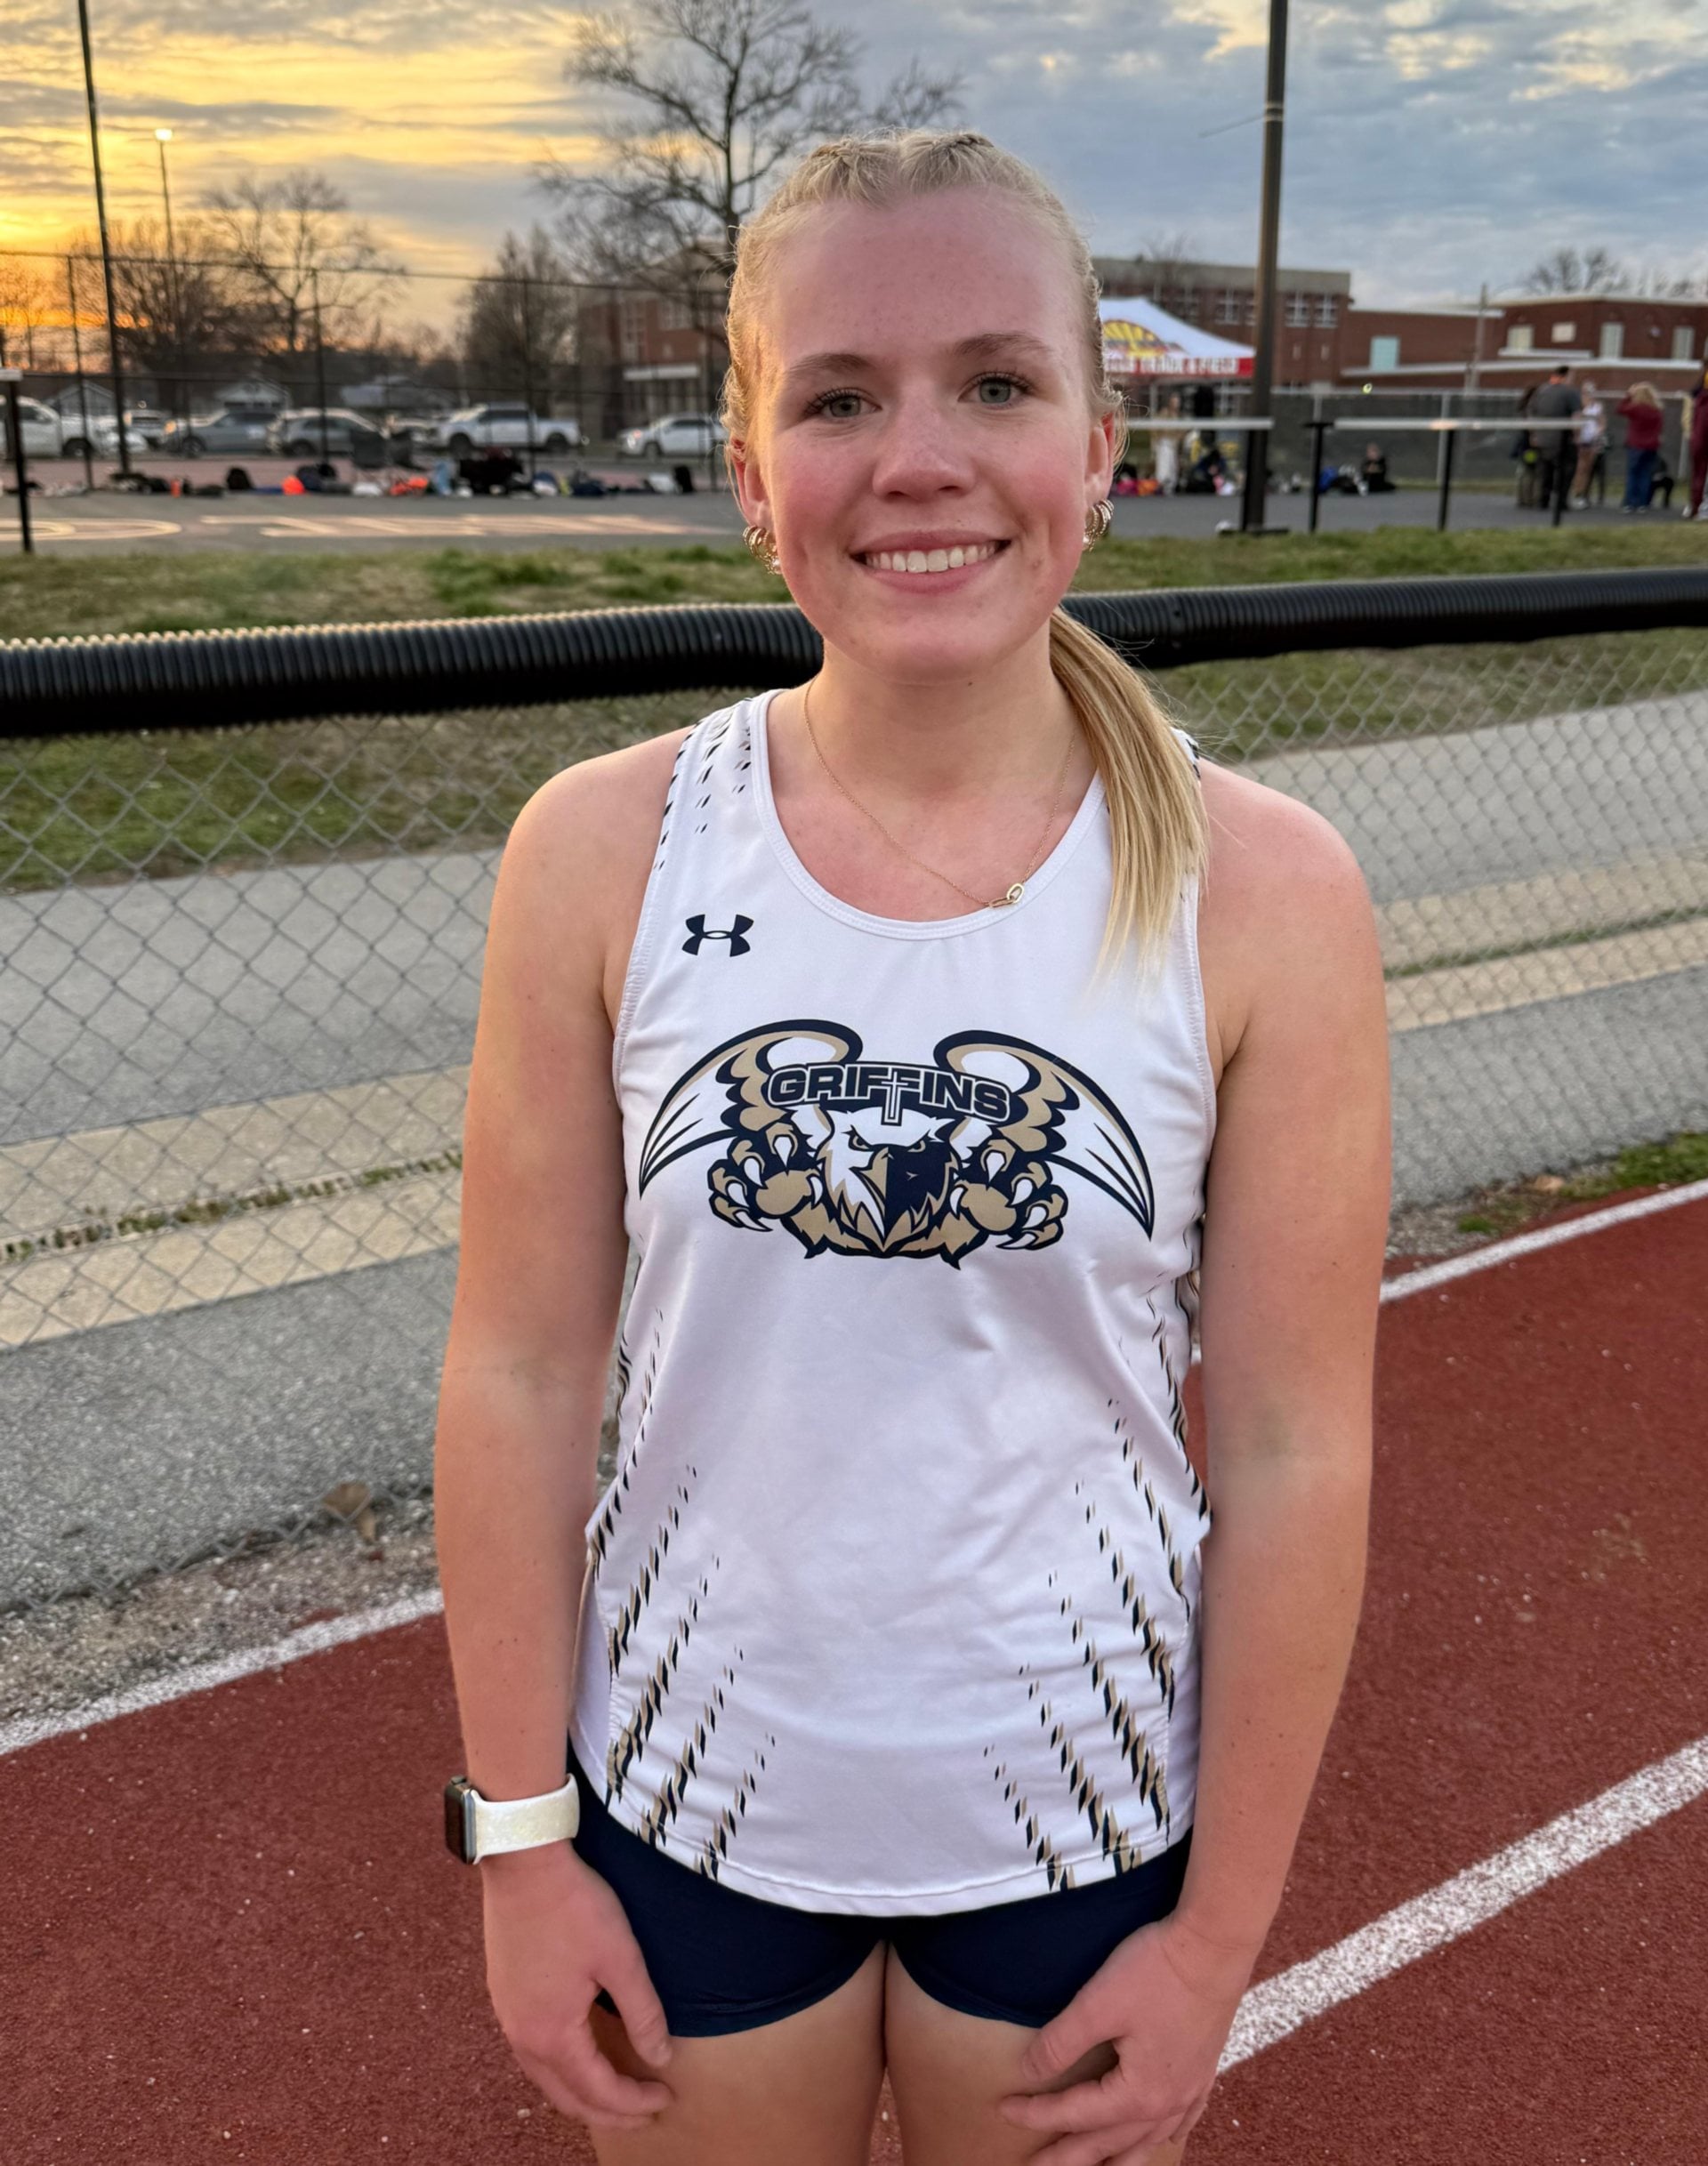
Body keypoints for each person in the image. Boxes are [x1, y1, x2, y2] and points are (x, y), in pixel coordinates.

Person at [435, 127, 1389, 2166]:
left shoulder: (1266, 890)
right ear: (749, 467)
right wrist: (518, 1839)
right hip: (688, 1798)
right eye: (841, 398)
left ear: (1100, 445)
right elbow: (515, 1368)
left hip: (1080, 1819)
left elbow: (1297, 1441)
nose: (921, 459)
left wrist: (1220, 1935)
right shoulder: (600, 852)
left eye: (995, 381)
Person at [1527, 364, 1582, 512]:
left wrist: (1533, 434)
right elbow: (1576, 416)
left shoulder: (1541, 391)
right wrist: (1577, 435)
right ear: (1566, 376)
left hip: (1542, 437)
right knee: (1566, 470)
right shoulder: (1570, 392)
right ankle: (1561, 501)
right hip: (1562, 438)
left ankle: (1543, 499)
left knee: (1545, 470)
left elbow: (1531, 413)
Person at [1615, 382, 1665, 512]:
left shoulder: (1636, 408)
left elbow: (1620, 409)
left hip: (1636, 445)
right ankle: (1643, 503)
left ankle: (1630, 503)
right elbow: (1659, 428)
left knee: (1633, 474)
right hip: (1651, 446)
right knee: (1645, 474)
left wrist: (1628, 395)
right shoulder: (1656, 410)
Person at [1569, 380, 1606, 509]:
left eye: (1591, 391)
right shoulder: (1578, 405)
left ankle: (1584, 494)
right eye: (1586, 392)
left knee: (1588, 469)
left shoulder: (1597, 406)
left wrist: (1598, 431)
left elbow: (1602, 422)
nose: (1589, 394)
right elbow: (1575, 422)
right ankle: (1576, 493)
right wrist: (1577, 436)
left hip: (1592, 439)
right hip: (1581, 440)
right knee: (1580, 468)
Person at [1685, 364, 1708, 520]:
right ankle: (1698, 507)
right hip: (1701, 443)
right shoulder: (1702, 401)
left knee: (1698, 475)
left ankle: (1696, 506)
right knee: (1701, 476)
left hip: (1699, 443)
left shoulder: (1700, 400)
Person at [1152, 391, 1182, 494]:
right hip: (1164, 442)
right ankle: (1161, 484)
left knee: (1172, 466)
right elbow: (1156, 428)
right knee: (1164, 464)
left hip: (1173, 444)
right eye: (1174, 402)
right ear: (1170, 402)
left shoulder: (1177, 415)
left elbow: (1179, 430)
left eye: (1177, 402)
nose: (1176, 404)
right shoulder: (1164, 413)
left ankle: (1170, 487)